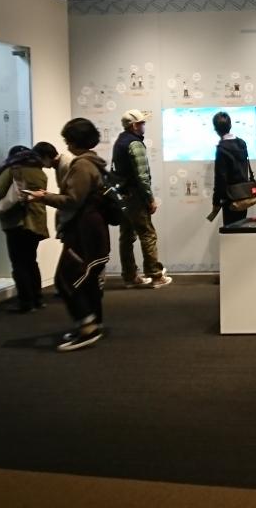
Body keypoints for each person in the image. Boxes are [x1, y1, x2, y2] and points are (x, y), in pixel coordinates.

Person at [27, 118, 110, 351]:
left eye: (67, 139)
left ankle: (87, 328)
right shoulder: (94, 162)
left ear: (74, 140)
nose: (66, 144)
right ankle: (93, 323)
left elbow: (73, 200)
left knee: (66, 279)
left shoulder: (81, 165)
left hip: (83, 231)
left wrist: (43, 197)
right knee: (88, 280)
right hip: (94, 230)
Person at [111, 109, 170, 288]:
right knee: (147, 234)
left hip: (123, 195)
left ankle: (130, 276)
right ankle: (155, 275)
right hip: (136, 196)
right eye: (142, 123)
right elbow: (142, 176)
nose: (144, 125)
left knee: (126, 236)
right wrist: (150, 199)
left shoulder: (120, 141)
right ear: (134, 125)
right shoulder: (135, 144)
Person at [0, 145, 48, 313]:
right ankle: (37, 299)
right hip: (36, 221)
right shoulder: (40, 171)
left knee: (19, 263)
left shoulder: (13, 170)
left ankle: (25, 302)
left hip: (17, 222)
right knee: (31, 261)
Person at [212, 112, 252, 227]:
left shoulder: (222, 149)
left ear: (216, 130)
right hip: (243, 195)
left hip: (230, 198)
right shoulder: (242, 143)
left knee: (231, 230)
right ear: (230, 125)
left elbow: (220, 179)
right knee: (241, 228)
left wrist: (216, 202)